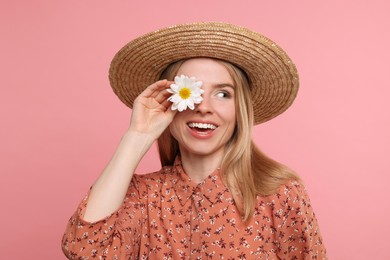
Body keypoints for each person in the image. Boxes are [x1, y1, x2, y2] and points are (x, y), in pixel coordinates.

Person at [62, 22, 327, 259]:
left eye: (223, 94)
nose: (204, 107)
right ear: (170, 102)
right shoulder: (142, 197)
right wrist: (137, 137)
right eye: (191, 92)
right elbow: (84, 249)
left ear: (240, 110)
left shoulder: (280, 195)